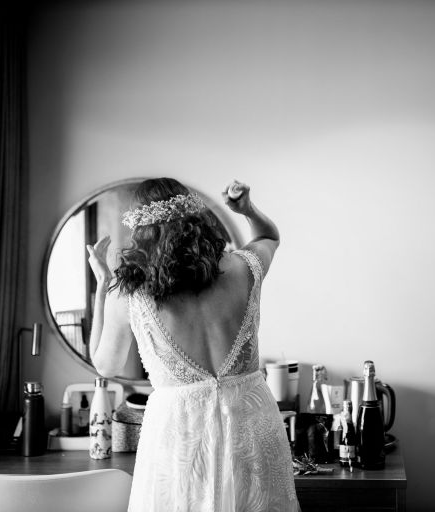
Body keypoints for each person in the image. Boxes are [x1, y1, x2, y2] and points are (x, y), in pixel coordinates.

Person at [86, 178, 299, 512]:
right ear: (196, 219)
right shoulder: (244, 268)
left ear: (140, 230)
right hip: (251, 425)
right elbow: (270, 236)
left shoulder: (128, 293)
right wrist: (246, 210)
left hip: (180, 435)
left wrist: (103, 286)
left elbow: (105, 366)